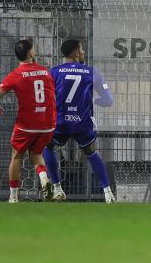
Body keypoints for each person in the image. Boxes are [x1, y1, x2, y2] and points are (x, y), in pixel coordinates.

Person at [45, 39, 115, 203]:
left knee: (48, 147)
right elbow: (108, 101)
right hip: (82, 123)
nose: (83, 53)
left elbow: (47, 98)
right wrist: (94, 101)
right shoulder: (93, 72)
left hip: (61, 122)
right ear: (76, 53)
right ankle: (108, 193)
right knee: (91, 153)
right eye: (82, 50)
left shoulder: (54, 72)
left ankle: (57, 189)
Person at [0, 39, 56, 203]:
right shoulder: (45, 71)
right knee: (36, 153)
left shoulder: (15, 75)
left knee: (17, 156)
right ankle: (43, 178)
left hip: (27, 124)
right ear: (31, 53)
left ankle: (13, 197)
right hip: (48, 123)